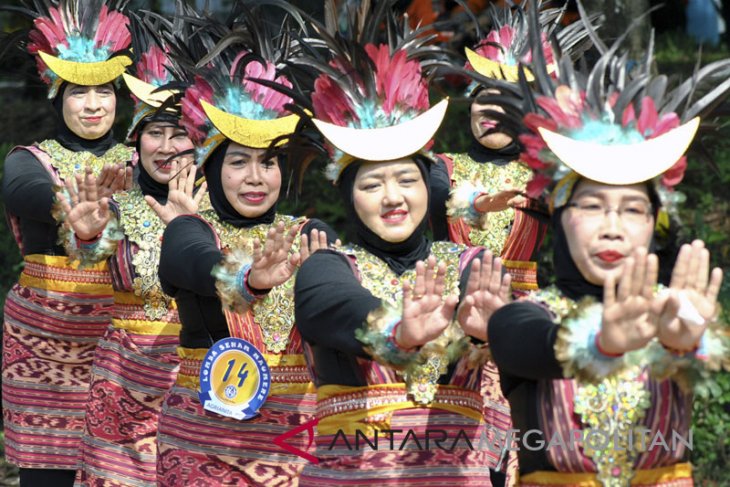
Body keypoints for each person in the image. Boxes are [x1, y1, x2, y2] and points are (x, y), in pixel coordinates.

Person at [486, 26, 730, 485]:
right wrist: (602, 340)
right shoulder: (520, 319)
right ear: (559, 217)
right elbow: (522, 343)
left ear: (654, 226)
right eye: (593, 206)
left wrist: (690, 340)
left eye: (633, 209)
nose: (613, 227)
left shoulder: (674, 314)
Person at [292, 5, 512, 484]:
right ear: (348, 198)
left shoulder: (471, 263)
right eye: (372, 186)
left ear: (427, 185)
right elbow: (330, 306)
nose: (393, 198)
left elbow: (497, 316)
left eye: (406, 180)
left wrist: (485, 329)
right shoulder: (327, 269)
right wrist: (396, 331)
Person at [154, 6, 338, 484]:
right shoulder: (189, 230)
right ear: (211, 169)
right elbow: (192, 262)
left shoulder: (310, 233)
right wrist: (249, 279)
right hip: (204, 436)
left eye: (270, 162)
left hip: (299, 441)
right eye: (238, 163)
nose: (257, 178)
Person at [54, 12, 201, 485]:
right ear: (136, 141)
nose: (165, 146)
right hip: (124, 384)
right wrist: (88, 235)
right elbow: (93, 252)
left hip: (201, 381)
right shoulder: (117, 206)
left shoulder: (229, 213)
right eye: (153, 132)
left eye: (178, 133)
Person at [1, 1, 133, 485]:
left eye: (105, 91)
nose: (94, 104)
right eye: (80, 93)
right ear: (57, 97)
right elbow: (24, 193)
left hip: (127, 348)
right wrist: (73, 205)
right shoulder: (27, 160)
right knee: (49, 477)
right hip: (45, 349)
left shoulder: (143, 164)